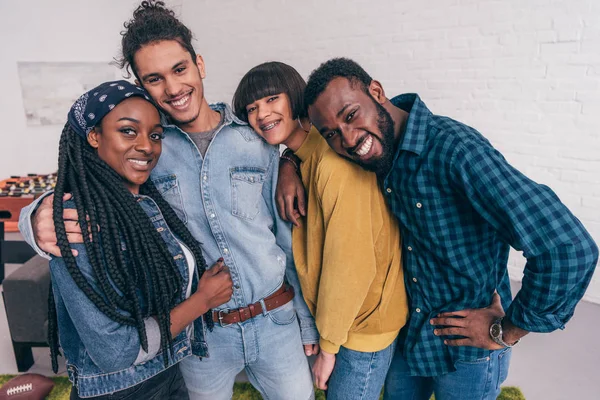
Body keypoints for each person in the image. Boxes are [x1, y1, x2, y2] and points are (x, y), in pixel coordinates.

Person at [19, 2, 317, 400]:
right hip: (199, 332)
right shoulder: (145, 152)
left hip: (275, 320)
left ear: (199, 65)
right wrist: (36, 215)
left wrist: (289, 162)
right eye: (155, 79)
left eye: (180, 70)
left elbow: (286, 239)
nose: (174, 88)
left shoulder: (255, 138)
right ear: (142, 86)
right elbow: (86, 177)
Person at [278, 57, 599, 400]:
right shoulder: (377, 153)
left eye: (351, 115)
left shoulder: (456, 151)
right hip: (412, 335)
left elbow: (568, 248)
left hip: (469, 350)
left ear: (377, 91)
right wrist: (288, 162)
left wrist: (505, 330)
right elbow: (311, 146)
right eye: (332, 134)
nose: (350, 139)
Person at [42, 80, 233, 399]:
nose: (147, 145)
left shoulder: (146, 203)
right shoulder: (78, 222)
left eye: (155, 134)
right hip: (120, 391)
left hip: (168, 372)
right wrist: (202, 301)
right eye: (128, 131)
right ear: (94, 136)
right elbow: (117, 351)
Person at [232, 61, 408, 399]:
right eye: (251, 108)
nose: (261, 113)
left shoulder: (333, 164)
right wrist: (288, 161)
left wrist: (328, 349)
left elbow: (350, 264)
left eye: (271, 99)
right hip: (350, 322)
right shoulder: (310, 153)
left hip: (362, 325)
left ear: (295, 98)